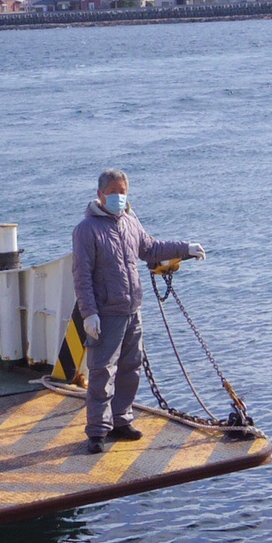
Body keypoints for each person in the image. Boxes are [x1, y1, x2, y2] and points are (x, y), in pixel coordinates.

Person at [71, 168, 205, 454]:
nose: (119, 197)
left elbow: (151, 248)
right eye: (114, 192)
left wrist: (186, 248)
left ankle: (121, 420)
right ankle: (97, 430)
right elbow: (81, 275)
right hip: (106, 313)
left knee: (131, 367)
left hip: (133, 309)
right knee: (101, 372)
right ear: (100, 195)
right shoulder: (86, 230)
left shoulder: (130, 221)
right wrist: (89, 313)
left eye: (123, 192)